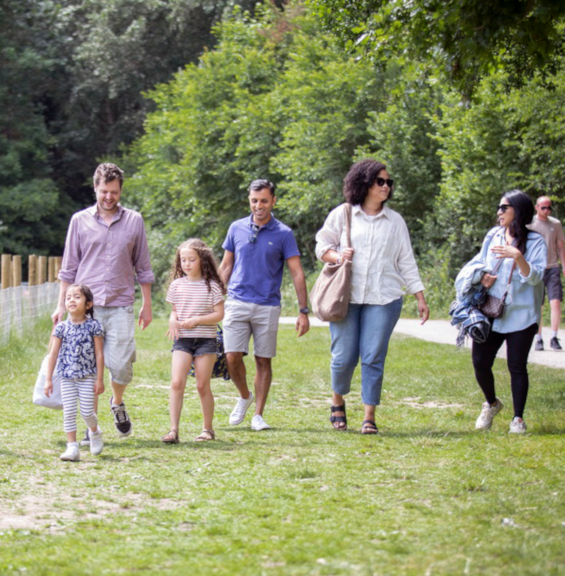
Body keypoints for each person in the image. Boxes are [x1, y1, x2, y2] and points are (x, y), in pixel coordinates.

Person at [315, 160, 428, 434]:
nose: (386, 186)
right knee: (343, 357)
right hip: (346, 298)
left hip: (385, 299)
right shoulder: (343, 214)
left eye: (389, 182)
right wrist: (338, 256)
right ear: (365, 183)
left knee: (373, 356)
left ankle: (369, 416)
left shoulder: (396, 221)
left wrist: (420, 297)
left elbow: (406, 261)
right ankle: (337, 401)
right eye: (381, 181)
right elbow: (322, 246)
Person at [55, 163, 154, 441]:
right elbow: (68, 268)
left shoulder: (134, 220)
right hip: (88, 308)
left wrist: (147, 304)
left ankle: (117, 402)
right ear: (95, 188)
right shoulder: (79, 221)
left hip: (121, 303)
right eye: (104, 191)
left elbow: (143, 266)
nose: (109, 197)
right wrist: (61, 304)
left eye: (114, 192)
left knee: (120, 364)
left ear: (120, 190)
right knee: (88, 368)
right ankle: (91, 428)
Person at [218, 179, 311, 432]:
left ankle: (258, 415)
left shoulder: (284, 233)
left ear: (273, 201)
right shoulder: (236, 228)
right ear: (249, 200)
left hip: (267, 306)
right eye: (254, 200)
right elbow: (226, 266)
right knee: (231, 356)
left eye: (264, 201)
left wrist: (303, 311)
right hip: (236, 301)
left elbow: (297, 273)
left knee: (263, 360)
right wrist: (212, 299)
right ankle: (245, 395)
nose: (258, 205)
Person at [456, 190, 545, 434]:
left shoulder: (536, 242)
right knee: (480, 363)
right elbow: (480, 262)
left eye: (504, 207)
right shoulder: (493, 235)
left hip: (522, 313)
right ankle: (492, 403)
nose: (499, 212)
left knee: (517, 366)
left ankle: (518, 419)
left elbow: (536, 277)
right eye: (499, 207)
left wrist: (517, 256)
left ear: (518, 209)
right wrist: (481, 277)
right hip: (490, 311)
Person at [162, 239, 226, 443]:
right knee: (176, 382)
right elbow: (174, 312)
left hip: (206, 340)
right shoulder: (176, 285)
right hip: (182, 340)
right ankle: (173, 431)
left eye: (191, 259)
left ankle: (208, 429)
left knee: (202, 385)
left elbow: (219, 314)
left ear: (202, 260)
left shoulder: (212, 286)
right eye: (183, 260)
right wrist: (173, 322)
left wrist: (197, 320)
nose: (187, 264)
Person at [45, 284, 106, 461]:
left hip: (87, 377)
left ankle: (94, 432)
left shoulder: (94, 326)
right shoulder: (61, 328)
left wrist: (99, 379)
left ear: (88, 304)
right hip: (66, 377)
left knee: (87, 412)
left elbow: (99, 354)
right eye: (68, 297)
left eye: (77, 297)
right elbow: (53, 354)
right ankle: (72, 447)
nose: (72, 300)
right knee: (69, 412)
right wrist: (49, 379)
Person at [528, 196, 565, 350]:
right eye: (543, 207)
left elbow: (560, 246)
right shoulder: (530, 224)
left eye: (549, 207)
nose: (547, 210)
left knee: (555, 301)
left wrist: (564, 265)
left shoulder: (555, 224)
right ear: (537, 207)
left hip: (552, 267)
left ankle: (554, 336)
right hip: (536, 268)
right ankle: (538, 338)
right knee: (539, 305)